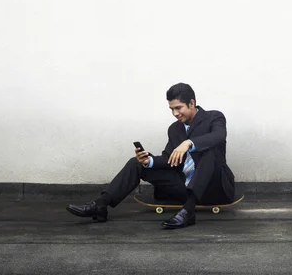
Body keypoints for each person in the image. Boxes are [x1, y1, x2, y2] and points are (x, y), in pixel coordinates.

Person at [66, 83, 236, 229]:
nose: (175, 114)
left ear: (191, 103)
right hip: (185, 187)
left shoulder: (214, 117)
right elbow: (171, 159)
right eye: (171, 109)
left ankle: (188, 212)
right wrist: (150, 161)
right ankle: (100, 205)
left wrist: (189, 143)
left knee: (209, 151)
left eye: (178, 108)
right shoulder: (175, 129)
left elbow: (219, 136)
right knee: (137, 163)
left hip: (215, 189)